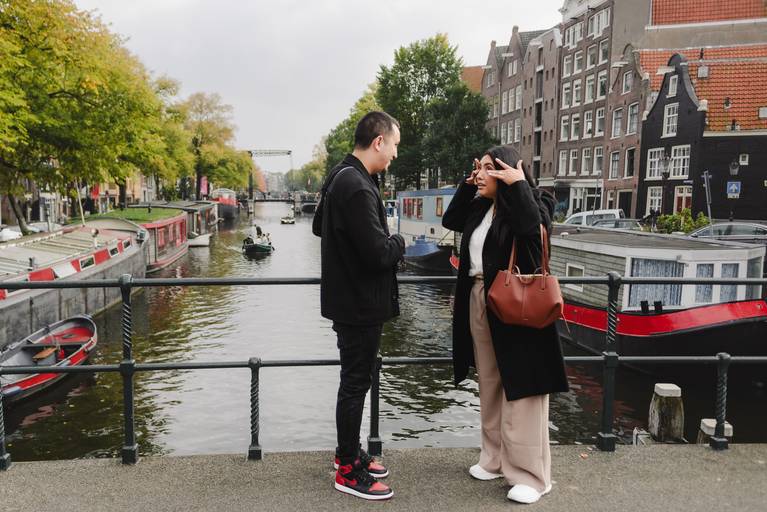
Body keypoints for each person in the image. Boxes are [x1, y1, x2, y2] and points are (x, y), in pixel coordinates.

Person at [441, 145, 569, 504]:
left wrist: (517, 186)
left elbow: (533, 229)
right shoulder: (481, 205)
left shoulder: (536, 199)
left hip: (518, 301)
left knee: (523, 388)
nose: (479, 173)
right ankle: (494, 458)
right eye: (477, 168)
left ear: (506, 170)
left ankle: (531, 474)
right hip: (480, 298)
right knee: (491, 382)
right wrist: (470, 185)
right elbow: (451, 221)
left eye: (485, 168)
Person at [312, 111, 405, 501]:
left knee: (355, 381)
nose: (396, 155)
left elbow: (319, 225)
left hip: (348, 299)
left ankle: (347, 453)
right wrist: (399, 241)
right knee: (355, 384)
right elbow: (379, 255)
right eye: (395, 145)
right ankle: (348, 469)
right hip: (359, 303)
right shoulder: (357, 185)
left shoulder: (340, 175)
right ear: (378, 141)